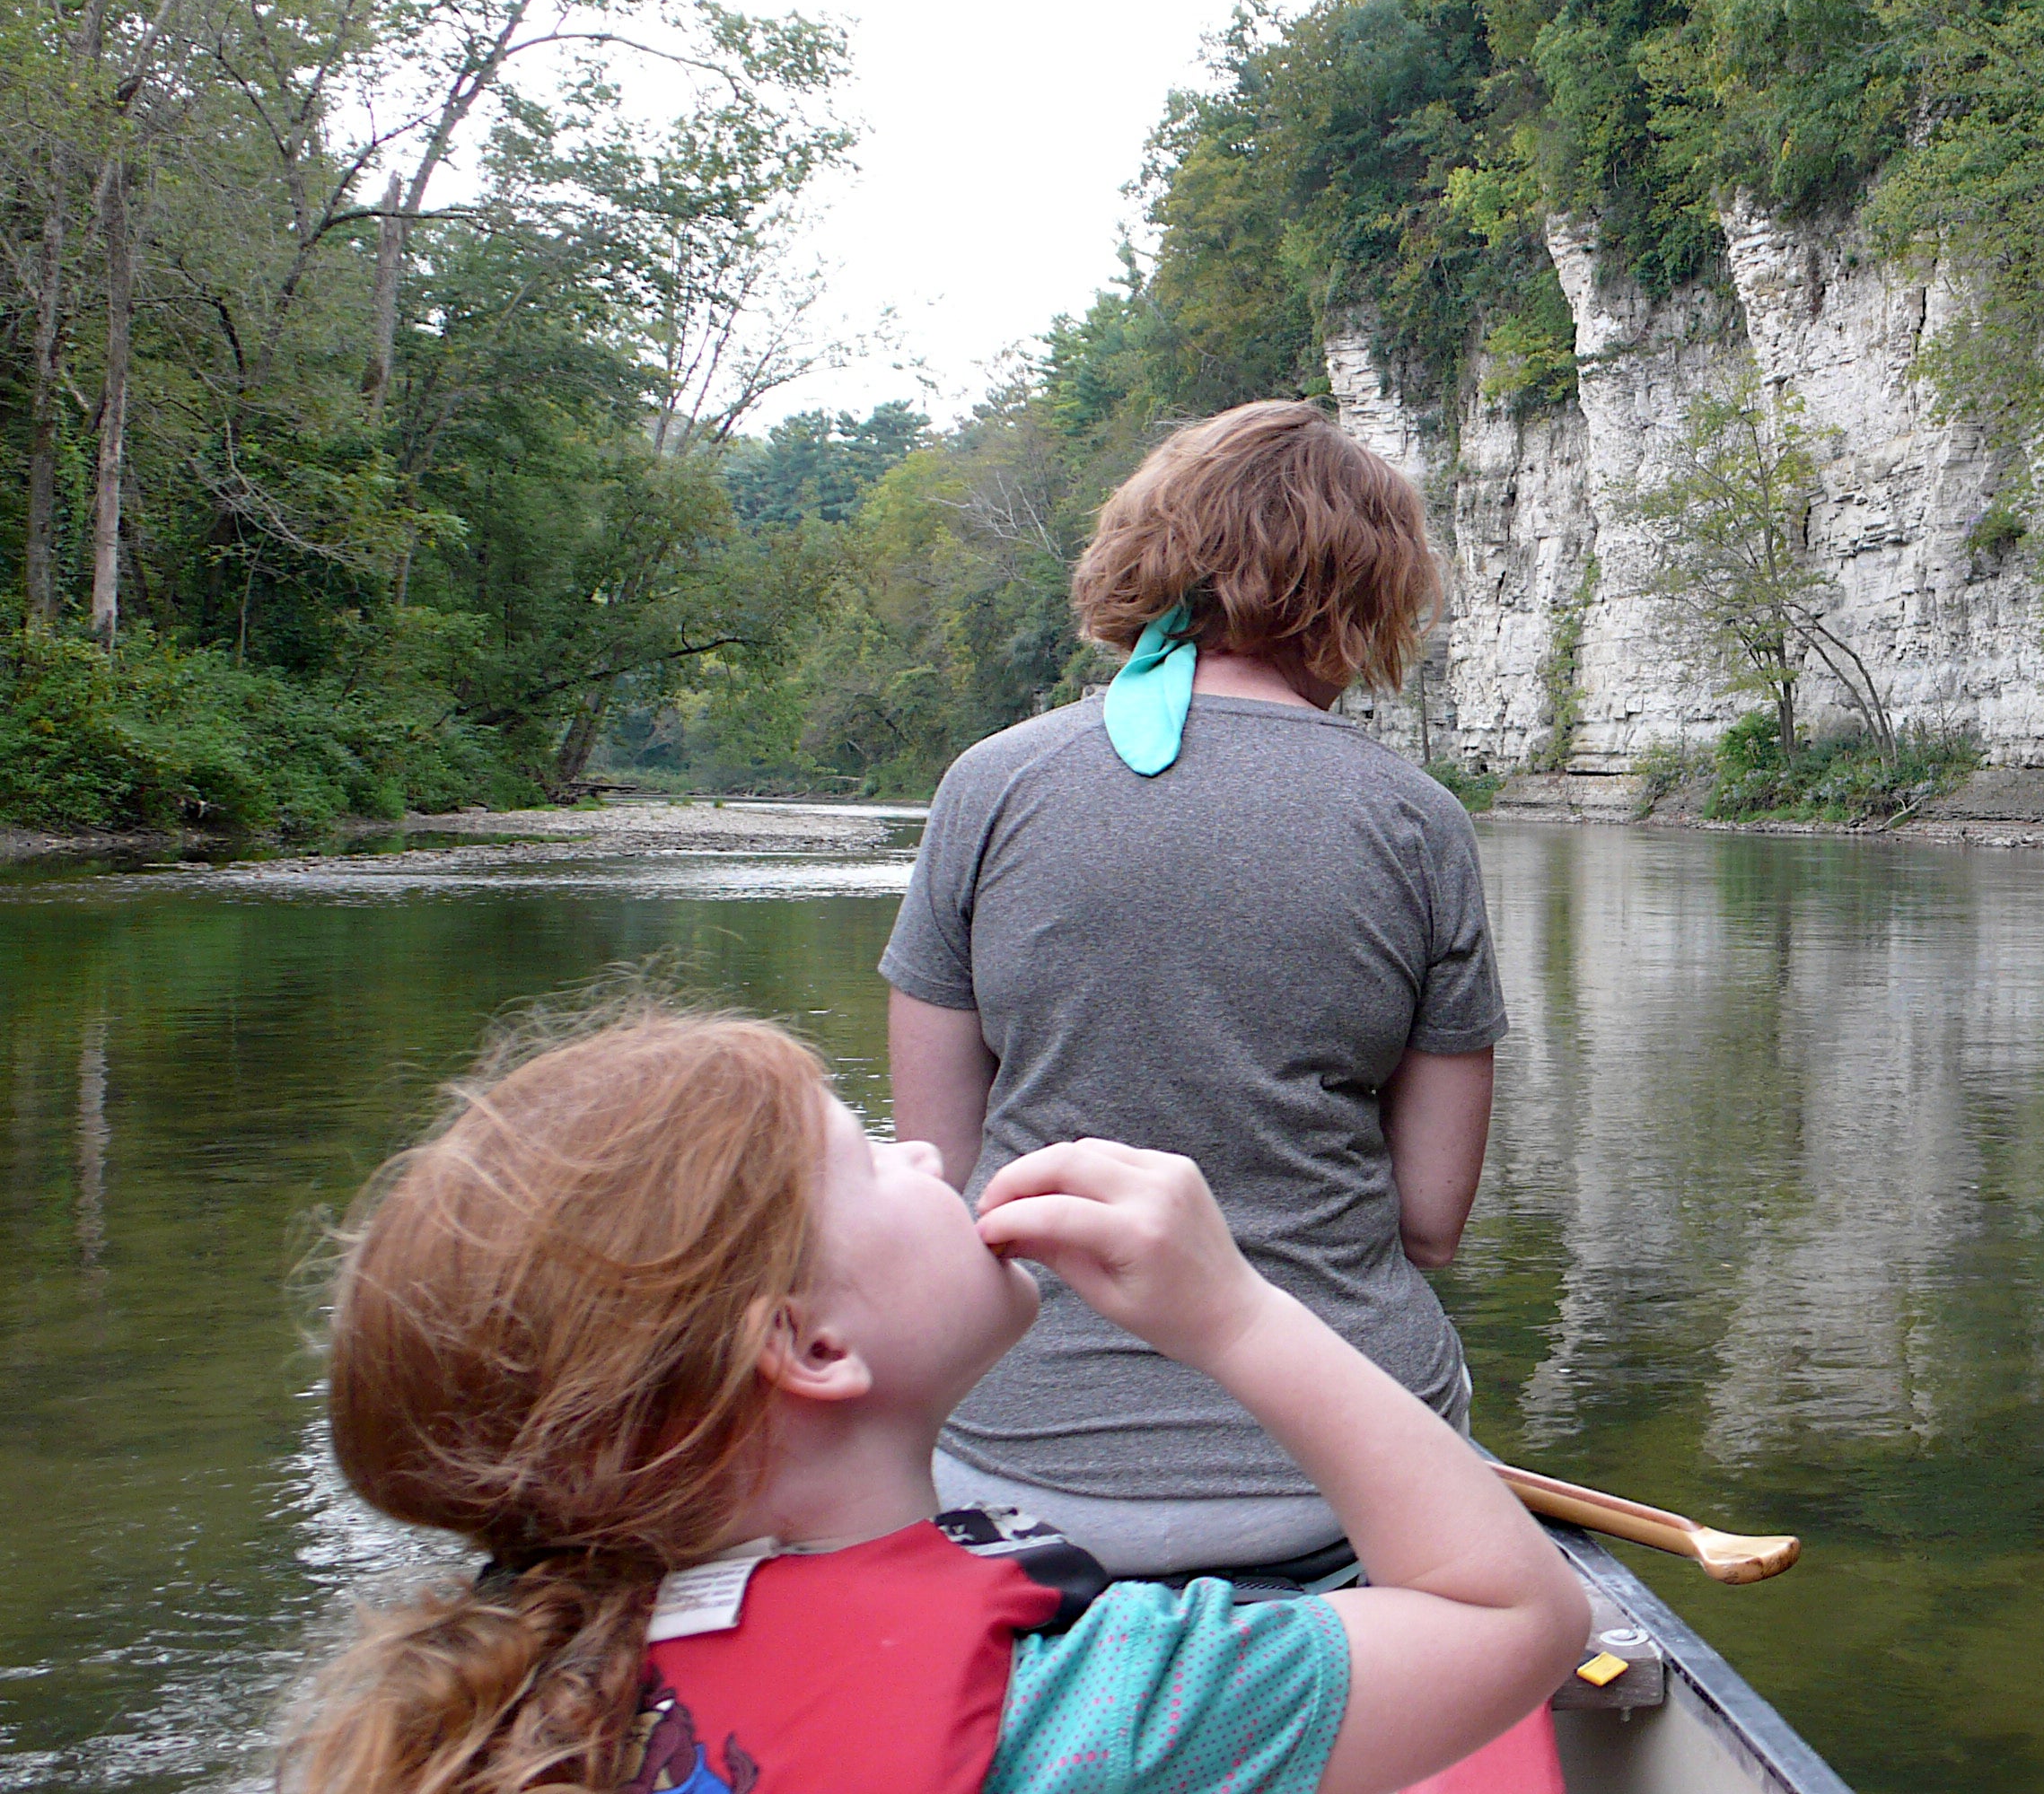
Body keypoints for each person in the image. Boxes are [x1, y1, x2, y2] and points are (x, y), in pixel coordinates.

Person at [281, 1005, 1585, 1794]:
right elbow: (1514, 1617)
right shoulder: (1099, 1720)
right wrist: (1234, 1315)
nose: (926, 1152)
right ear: (811, 1347)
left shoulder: (516, 1700)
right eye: (868, 1152)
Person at [882, 398, 1504, 1580]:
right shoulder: (1420, 824)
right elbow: (1430, 1221)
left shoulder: (989, 787)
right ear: (1366, 595)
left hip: (1017, 1467)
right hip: (1333, 1477)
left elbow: (944, 1178)